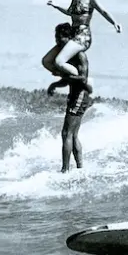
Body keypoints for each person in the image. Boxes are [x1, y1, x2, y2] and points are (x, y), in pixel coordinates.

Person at [43, 0, 121, 77]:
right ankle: (69, 77)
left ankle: (81, 79)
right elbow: (70, 12)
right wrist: (56, 5)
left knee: (59, 62)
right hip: (72, 35)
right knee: (46, 61)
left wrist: (114, 23)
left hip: (83, 37)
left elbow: (103, 11)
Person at [47, 23, 93, 173]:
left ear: (70, 38)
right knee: (72, 135)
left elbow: (83, 79)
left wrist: (65, 76)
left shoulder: (80, 55)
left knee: (66, 133)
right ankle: (80, 170)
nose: (58, 41)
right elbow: (69, 80)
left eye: (61, 38)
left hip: (80, 95)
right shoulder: (68, 56)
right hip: (75, 95)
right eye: (56, 38)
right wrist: (55, 84)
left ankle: (65, 170)